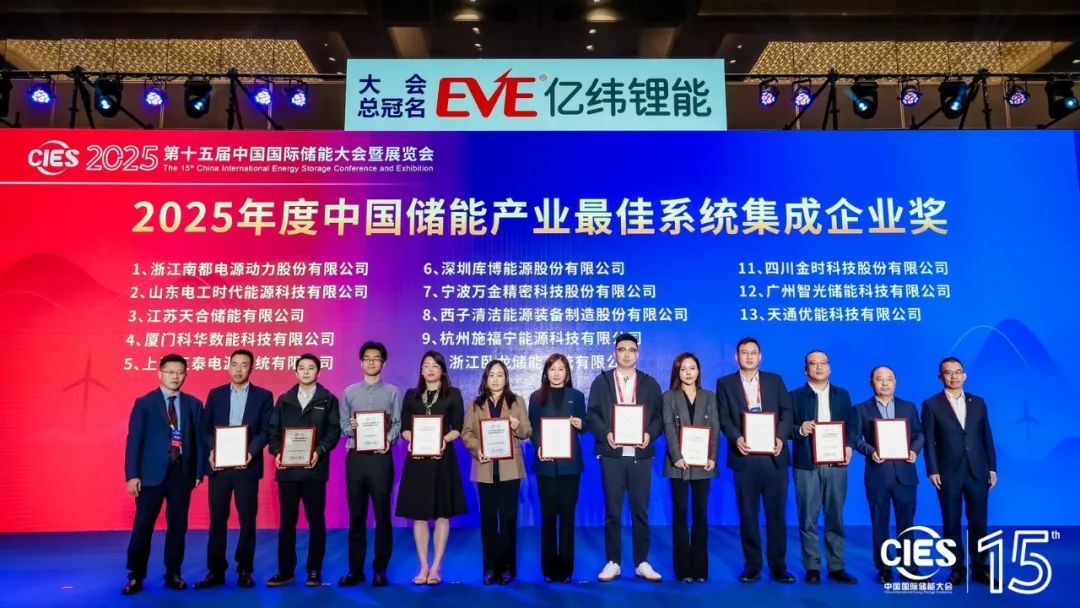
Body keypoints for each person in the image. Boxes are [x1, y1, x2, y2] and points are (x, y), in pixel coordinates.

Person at [122, 353, 205, 595]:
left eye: (180, 372)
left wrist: (199, 471)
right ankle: (136, 575)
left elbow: (199, 441)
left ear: (186, 375)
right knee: (143, 526)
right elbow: (134, 441)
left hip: (181, 474)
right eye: (170, 371)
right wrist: (132, 475)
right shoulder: (144, 403)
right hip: (150, 475)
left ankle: (174, 573)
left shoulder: (193, 404)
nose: (175, 376)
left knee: (178, 526)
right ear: (160, 373)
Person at [586, 332, 664, 583]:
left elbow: (659, 417)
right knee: (613, 511)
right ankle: (613, 562)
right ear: (615, 353)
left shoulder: (650, 383)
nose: (627, 354)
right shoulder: (602, 382)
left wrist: (649, 434)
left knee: (640, 510)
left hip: (641, 455)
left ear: (638, 354)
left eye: (631, 350)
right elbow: (592, 415)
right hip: (611, 455)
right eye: (622, 350)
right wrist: (606, 433)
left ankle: (642, 562)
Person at [716, 337, 794, 584]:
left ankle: (779, 567)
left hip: (774, 457)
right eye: (744, 352)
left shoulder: (775, 380)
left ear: (760, 356)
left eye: (753, 352)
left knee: (776, 515)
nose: (749, 356)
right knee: (748, 515)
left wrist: (780, 437)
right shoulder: (725, 383)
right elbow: (724, 417)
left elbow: (787, 412)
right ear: (736, 357)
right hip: (745, 457)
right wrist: (737, 438)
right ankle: (752, 566)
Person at [195, 349, 274, 590]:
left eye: (244, 365)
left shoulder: (263, 396)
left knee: (247, 520)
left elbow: (266, 430)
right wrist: (212, 449)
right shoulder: (216, 394)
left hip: (246, 466)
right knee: (217, 520)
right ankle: (215, 571)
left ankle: (245, 570)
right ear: (228, 366)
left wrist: (250, 451)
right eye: (234, 364)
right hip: (219, 467)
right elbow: (204, 428)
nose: (238, 369)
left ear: (252, 368)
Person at [265, 353, 342, 587]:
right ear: (295, 372)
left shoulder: (328, 399)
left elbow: (333, 431)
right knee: (287, 522)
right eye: (302, 368)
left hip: (314, 470)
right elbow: (273, 431)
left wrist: (319, 450)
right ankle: (285, 570)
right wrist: (277, 452)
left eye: (311, 368)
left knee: (316, 521)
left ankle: (314, 570)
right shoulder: (284, 400)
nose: (306, 371)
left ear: (318, 372)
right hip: (288, 471)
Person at [922, 357, 997, 585]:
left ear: (964, 375)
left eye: (958, 372)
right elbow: (929, 440)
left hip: (978, 470)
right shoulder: (931, 404)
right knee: (951, 522)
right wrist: (932, 469)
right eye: (948, 372)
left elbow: (986, 437)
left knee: (979, 521)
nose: (953, 376)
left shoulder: (978, 402)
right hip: (947, 473)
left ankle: (980, 568)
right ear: (940, 377)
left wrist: (992, 467)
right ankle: (956, 569)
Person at [395, 350, 467, 586]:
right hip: (417, 461)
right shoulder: (411, 395)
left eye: (435, 365)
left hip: (442, 460)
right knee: (419, 515)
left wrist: (443, 440)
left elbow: (458, 427)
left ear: (442, 370)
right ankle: (423, 566)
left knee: (442, 514)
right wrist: (412, 439)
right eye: (426, 365)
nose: (430, 369)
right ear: (421, 370)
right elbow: (405, 428)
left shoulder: (453, 394)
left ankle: (436, 567)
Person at [789, 350, 858, 585]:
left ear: (829, 367)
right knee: (808, 518)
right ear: (805, 369)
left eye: (823, 363)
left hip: (836, 464)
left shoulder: (842, 395)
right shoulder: (794, 396)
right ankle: (812, 566)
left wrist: (848, 447)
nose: (819, 367)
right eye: (813, 363)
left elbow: (852, 427)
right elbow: (783, 428)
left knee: (835, 516)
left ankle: (836, 566)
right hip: (806, 465)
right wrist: (800, 429)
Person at [462, 360, 532, 585]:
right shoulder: (475, 404)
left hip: (510, 469)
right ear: (485, 378)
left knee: (509, 519)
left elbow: (527, 431)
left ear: (506, 378)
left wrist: (516, 426)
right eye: (491, 374)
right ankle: (490, 568)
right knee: (488, 519)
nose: (495, 379)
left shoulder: (517, 402)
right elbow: (466, 433)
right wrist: (478, 449)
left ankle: (508, 568)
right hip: (485, 467)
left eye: (500, 374)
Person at [338, 341, 402, 588]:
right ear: (361, 362)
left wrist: (388, 439)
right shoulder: (349, 392)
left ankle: (380, 569)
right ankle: (355, 570)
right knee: (356, 516)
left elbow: (397, 424)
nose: (371, 362)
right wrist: (351, 427)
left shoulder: (393, 392)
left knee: (382, 515)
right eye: (367, 358)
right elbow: (343, 425)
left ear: (383, 363)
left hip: (380, 458)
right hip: (355, 457)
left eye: (376, 358)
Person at [854, 365, 923, 584]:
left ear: (895, 382)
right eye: (879, 379)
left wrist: (914, 450)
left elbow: (919, 434)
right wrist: (870, 451)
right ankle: (884, 569)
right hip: (878, 474)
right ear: (871, 382)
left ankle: (909, 568)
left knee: (907, 523)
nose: (885, 383)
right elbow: (854, 438)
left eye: (889, 378)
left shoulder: (908, 407)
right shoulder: (860, 409)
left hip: (905, 474)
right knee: (879, 523)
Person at [528, 353, 587, 583]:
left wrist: (581, 423)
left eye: (561, 369)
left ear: (567, 373)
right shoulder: (536, 397)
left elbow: (585, 424)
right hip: (546, 466)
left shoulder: (577, 396)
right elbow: (533, 429)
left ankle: (566, 569)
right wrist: (539, 446)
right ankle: (549, 569)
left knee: (568, 518)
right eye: (552, 369)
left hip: (570, 467)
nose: (556, 373)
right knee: (549, 517)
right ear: (546, 372)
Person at [662, 352, 719, 583]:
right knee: (680, 513)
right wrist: (676, 456)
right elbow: (668, 427)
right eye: (683, 368)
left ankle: (700, 569)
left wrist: (712, 457)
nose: (688, 372)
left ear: (698, 371)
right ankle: (683, 569)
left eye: (692, 368)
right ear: (677, 372)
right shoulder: (669, 396)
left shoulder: (710, 396)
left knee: (701, 514)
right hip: (678, 464)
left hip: (703, 463)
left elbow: (715, 428)